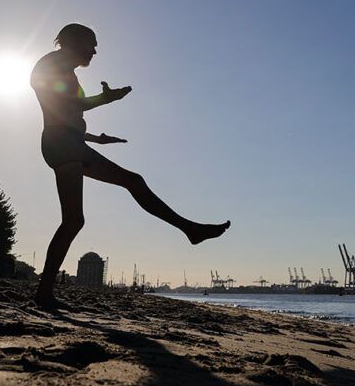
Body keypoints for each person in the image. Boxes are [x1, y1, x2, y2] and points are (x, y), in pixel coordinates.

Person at [31, 23, 229, 308]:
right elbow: (65, 106)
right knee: (78, 216)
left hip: (69, 142)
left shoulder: (66, 72)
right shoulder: (48, 65)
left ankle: (190, 230)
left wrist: (95, 138)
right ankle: (44, 293)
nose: (96, 51)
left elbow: (61, 113)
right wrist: (106, 99)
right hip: (63, 144)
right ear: (75, 42)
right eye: (92, 44)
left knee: (120, 189)